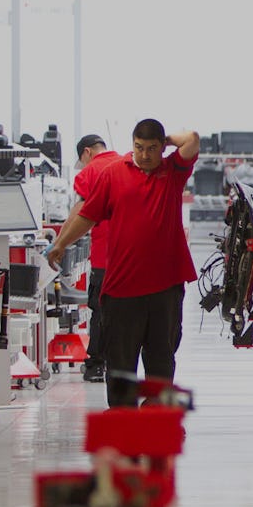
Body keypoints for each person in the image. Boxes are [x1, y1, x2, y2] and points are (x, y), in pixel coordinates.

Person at [47, 119, 199, 406]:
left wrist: (165, 141)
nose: (144, 155)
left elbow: (192, 138)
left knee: (161, 363)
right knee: (120, 367)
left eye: (152, 148)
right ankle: (122, 427)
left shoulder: (172, 171)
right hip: (121, 290)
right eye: (139, 148)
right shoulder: (113, 174)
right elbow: (87, 215)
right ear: (132, 145)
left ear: (161, 148)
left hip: (164, 290)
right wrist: (61, 244)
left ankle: (157, 426)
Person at [72, 134, 120, 383]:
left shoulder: (88, 173)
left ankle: (95, 365)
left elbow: (80, 211)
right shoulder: (125, 163)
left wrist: (60, 245)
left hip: (104, 256)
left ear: (87, 152)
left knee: (100, 310)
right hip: (129, 255)